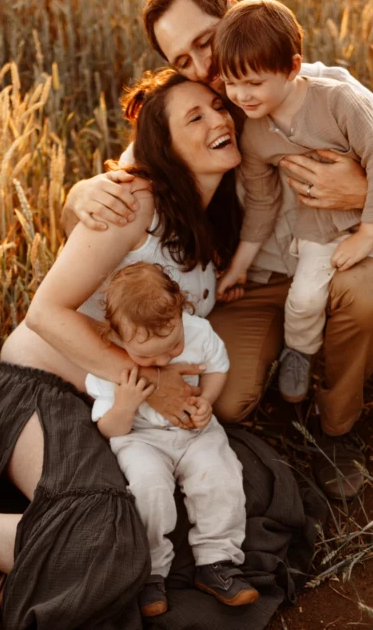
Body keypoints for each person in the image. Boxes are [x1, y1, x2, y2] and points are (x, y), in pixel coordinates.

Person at [0, 68, 316, 629]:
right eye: (196, 116)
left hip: (126, 413)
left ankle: (39, 541)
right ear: (162, 147)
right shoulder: (134, 203)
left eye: (219, 107)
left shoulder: (210, 218)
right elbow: (44, 312)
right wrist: (152, 383)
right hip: (46, 389)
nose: (219, 119)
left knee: (227, 495)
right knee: (110, 542)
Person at [65, 0, 373, 499]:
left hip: (338, 259)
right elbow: (117, 191)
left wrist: (358, 189)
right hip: (249, 285)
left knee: (371, 298)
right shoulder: (194, 116)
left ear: (237, 11)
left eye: (206, 41)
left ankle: (336, 425)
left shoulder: (326, 91)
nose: (205, 67)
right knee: (225, 402)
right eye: (183, 60)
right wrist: (79, 192)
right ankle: (289, 369)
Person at [213, 0, 373, 437]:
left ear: (293, 67)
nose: (241, 96)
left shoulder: (337, 100)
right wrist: (239, 268)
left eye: (254, 83)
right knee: (303, 300)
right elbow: (263, 204)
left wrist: (368, 233)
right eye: (230, 83)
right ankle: (300, 353)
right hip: (318, 228)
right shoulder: (254, 132)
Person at [88, 262, 258, 616]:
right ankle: (150, 571)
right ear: (117, 337)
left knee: (222, 475)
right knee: (148, 489)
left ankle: (217, 561)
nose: (163, 361)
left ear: (183, 310)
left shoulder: (200, 331)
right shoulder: (109, 363)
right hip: (140, 437)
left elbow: (217, 366)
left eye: (174, 345)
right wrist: (125, 404)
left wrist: (206, 402)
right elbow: (109, 430)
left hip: (193, 431)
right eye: (147, 356)